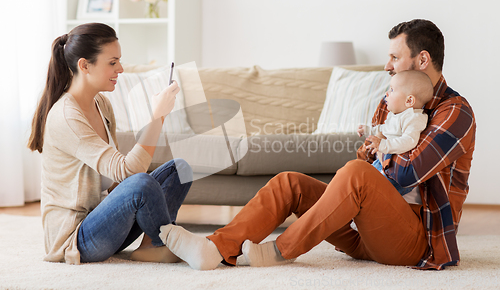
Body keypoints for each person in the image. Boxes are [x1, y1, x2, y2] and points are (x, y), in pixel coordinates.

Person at [157, 19, 476, 271]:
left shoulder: (454, 112)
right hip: (366, 230)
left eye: (394, 57)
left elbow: (405, 175)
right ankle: (214, 249)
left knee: (355, 173)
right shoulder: (389, 99)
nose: (386, 65)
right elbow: (367, 161)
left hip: (415, 242)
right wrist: (370, 154)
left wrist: (373, 155)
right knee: (289, 183)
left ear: (422, 59)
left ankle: (279, 251)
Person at [27, 23, 193, 264]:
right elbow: (129, 171)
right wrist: (157, 117)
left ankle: (151, 245)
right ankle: (164, 243)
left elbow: (118, 179)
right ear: (84, 65)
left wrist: (126, 196)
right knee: (141, 182)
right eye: (112, 62)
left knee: (180, 169)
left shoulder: (101, 104)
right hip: (76, 240)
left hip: (104, 223)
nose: (121, 69)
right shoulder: (66, 116)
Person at [357, 70, 434, 196]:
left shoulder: (414, 118)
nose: (386, 93)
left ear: (409, 101)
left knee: (371, 193)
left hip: (395, 174)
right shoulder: (397, 114)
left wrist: (382, 145)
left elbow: (409, 141)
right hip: (382, 163)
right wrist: (368, 130)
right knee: (360, 181)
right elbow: (386, 129)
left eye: (392, 90)